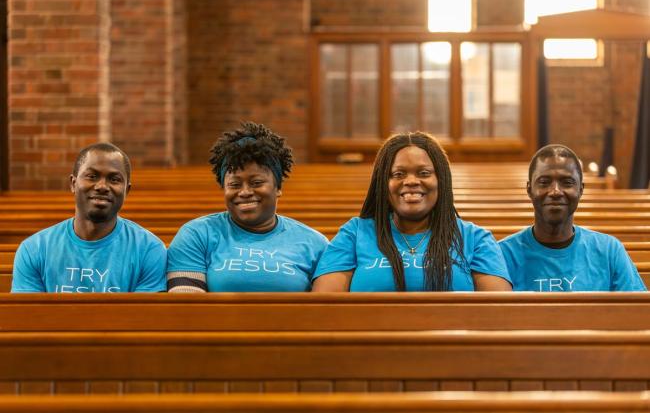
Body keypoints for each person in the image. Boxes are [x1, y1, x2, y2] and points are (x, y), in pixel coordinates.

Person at [311, 132, 512, 292]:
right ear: (383, 183)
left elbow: (497, 313)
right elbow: (325, 308)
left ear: (441, 180)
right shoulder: (355, 233)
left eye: (424, 173)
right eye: (398, 174)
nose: (411, 181)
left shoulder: (474, 238)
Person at [166, 122, 329, 292]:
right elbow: (186, 308)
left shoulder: (314, 243)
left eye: (256, 182)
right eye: (234, 184)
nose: (244, 192)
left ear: (278, 187)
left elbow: (322, 311)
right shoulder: (197, 234)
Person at [11, 143, 167, 293]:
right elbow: (29, 316)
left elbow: (144, 317)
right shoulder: (34, 249)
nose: (102, 186)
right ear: (73, 183)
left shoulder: (149, 249)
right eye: (92, 176)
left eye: (114, 179)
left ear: (127, 190)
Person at [499, 144, 646, 292]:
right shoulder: (503, 254)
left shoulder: (609, 250)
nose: (555, 191)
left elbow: (636, 311)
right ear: (529, 189)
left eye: (567, 183)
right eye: (544, 182)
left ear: (581, 190)